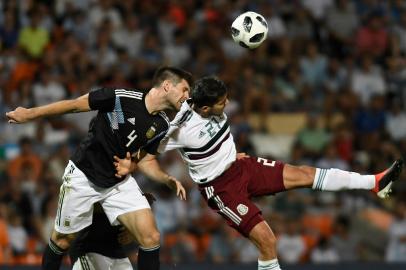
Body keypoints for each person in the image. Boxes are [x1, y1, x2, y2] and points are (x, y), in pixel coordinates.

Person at [115, 76, 403, 270]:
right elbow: (147, 153)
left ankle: (374, 183)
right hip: (221, 189)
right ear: (204, 108)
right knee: (267, 240)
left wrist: (228, 154)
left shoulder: (208, 104)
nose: (226, 104)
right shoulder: (178, 127)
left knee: (304, 173)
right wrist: (140, 166)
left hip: (242, 166)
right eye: (221, 103)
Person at [6, 66, 193, 270]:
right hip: (84, 175)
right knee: (61, 241)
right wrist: (30, 114)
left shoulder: (162, 124)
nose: (187, 96)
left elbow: (144, 159)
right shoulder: (119, 97)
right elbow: (74, 105)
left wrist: (157, 175)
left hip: (117, 183)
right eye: (184, 89)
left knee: (151, 237)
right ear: (167, 86)